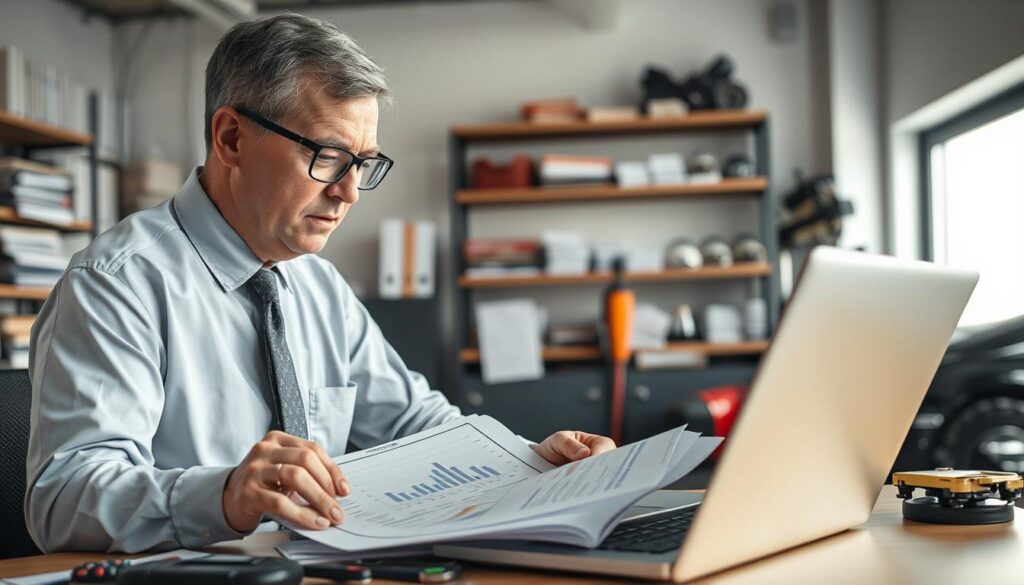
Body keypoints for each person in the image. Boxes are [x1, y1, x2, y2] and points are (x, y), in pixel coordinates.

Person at [25, 13, 615, 553]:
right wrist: (225, 496)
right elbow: (62, 500)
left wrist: (529, 461)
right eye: (329, 156)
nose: (350, 192)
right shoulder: (116, 285)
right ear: (231, 138)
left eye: (364, 164)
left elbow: (418, 425)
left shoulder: (318, 285)